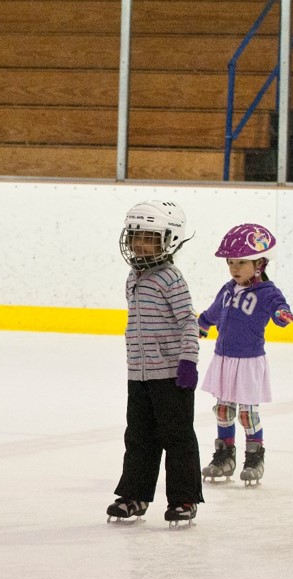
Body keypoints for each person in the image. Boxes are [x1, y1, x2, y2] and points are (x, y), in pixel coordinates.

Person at [106, 200, 203, 527]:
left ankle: (184, 499)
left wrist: (188, 361)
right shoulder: (133, 277)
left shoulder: (170, 278)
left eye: (148, 237)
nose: (139, 244)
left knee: (177, 438)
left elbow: (189, 322)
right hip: (140, 376)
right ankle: (134, 495)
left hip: (172, 376)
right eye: (135, 236)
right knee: (138, 437)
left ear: (169, 239)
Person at [198, 224, 293, 486]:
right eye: (231, 262)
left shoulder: (268, 292)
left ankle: (255, 456)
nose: (234, 268)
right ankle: (224, 455)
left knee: (247, 414)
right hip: (224, 357)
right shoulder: (229, 289)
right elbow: (214, 312)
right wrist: (203, 324)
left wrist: (283, 315)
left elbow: (279, 309)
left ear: (260, 264)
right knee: (222, 409)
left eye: (241, 262)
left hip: (249, 360)